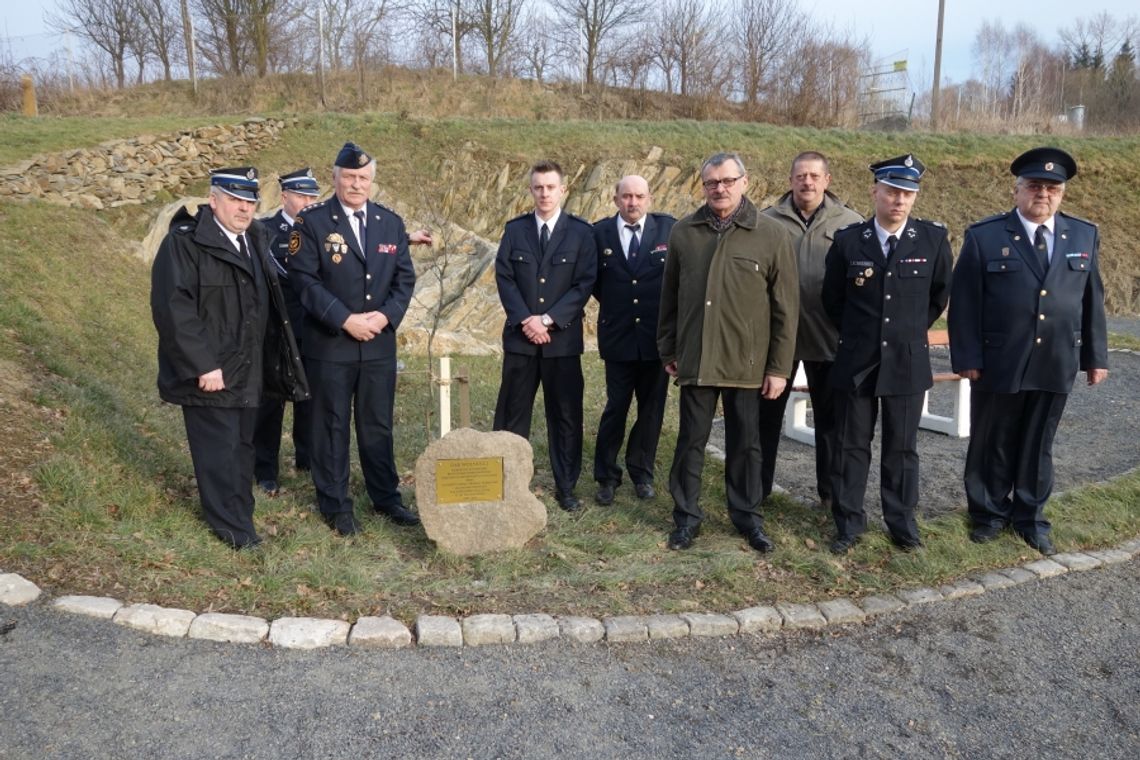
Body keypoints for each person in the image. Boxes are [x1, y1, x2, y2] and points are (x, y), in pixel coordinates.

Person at [948, 147, 1108, 556]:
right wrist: (967, 358)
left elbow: (1092, 301)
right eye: (1035, 186)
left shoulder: (1083, 235)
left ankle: (1030, 518)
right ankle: (987, 515)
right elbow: (964, 303)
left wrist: (1095, 357)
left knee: (1039, 444)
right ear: (1017, 190)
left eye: (1052, 188)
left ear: (1062, 194)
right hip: (1000, 359)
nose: (1044, 194)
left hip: (1055, 359)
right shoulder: (986, 236)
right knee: (992, 441)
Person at [150, 167, 308, 549]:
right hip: (213, 370)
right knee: (218, 450)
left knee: (242, 447)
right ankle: (232, 530)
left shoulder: (255, 237)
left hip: (249, 366)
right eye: (235, 200)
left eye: (250, 201)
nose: (243, 208)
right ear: (213, 199)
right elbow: (174, 311)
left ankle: (241, 516)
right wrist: (203, 364)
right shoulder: (185, 243)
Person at [657, 152, 798, 552]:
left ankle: (748, 518)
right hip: (697, 358)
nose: (720, 189)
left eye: (727, 181)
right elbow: (669, 299)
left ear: (744, 182)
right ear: (703, 186)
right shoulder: (685, 232)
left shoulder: (771, 235)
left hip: (747, 362)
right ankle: (686, 519)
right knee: (690, 443)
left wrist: (778, 368)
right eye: (711, 183)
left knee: (747, 446)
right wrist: (669, 347)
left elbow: (786, 310)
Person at [821, 154, 952, 553]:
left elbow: (938, 298)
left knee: (902, 447)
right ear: (874, 191)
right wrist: (864, 336)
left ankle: (901, 523)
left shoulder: (932, 240)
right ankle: (848, 523)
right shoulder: (848, 241)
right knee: (851, 445)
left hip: (906, 362)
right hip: (858, 362)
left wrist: (905, 334)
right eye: (893, 191)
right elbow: (832, 301)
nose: (900, 200)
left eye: (908, 193)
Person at [290, 142, 419, 536]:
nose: (356, 184)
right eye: (349, 177)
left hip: (378, 344)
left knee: (377, 423)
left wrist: (384, 316)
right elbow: (305, 282)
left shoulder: (389, 223)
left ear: (372, 181)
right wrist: (345, 320)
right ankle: (336, 505)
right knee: (331, 426)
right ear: (335, 178)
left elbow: (404, 278)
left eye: (363, 178)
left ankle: (386, 497)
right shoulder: (311, 222)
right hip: (331, 344)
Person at [759, 151, 863, 510]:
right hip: (776, 340)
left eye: (814, 176)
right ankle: (757, 491)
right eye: (800, 176)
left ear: (827, 180)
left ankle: (831, 495)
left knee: (832, 423)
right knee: (765, 419)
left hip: (830, 338)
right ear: (790, 180)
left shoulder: (851, 223)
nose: (807, 182)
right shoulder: (766, 221)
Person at [493, 160, 598, 512]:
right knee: (512, 415)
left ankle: (566, 487)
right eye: (538, 187)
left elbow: (584, 283)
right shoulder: (515, 230)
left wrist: (549, 320)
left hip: (562, 341)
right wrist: (527, 319)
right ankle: (508, 482)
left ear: (563, 190)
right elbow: (505, 278)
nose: (544, 193)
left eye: (551, 187)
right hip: (521, 340)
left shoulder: (582, 233)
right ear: (530, 190)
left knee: (566, 416)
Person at [591, 175, 676, 506]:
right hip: (619, 336)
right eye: (626, 196)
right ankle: (606, 476)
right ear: (615, 199)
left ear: (650, 198)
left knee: (651, 409)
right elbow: (596, 283)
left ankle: (642, 472)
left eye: (639, 196)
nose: (633, 202)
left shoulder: (668, 230)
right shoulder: (599, 233)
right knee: (616, 407)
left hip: (656, 339)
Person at [253, 168, 320, 495]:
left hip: (313, 330)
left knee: (311, 399)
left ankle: (308, 459)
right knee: (270, 403)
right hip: (276, 332)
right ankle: (264, 469)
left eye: (312, 196)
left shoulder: (324, 230)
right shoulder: (263, 231)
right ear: (285, 197)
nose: (308, 202)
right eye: (302, 195)